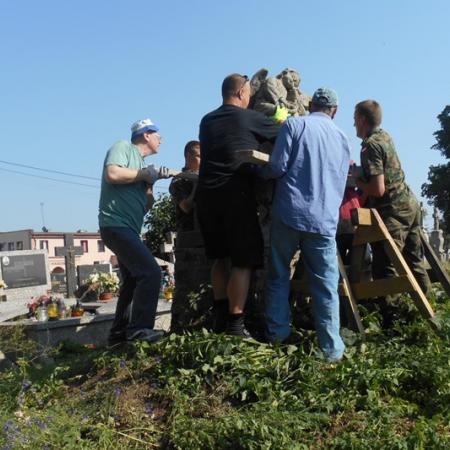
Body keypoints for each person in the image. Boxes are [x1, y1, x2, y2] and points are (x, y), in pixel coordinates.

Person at [261, 87, 350, 361]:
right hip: (323, 221)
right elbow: (342, 179)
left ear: (310, 105)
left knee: (278, 277)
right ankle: (331, 351)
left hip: (290, 214)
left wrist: (255, 170)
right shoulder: (342, 137)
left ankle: (277, 337)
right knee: (325, 286)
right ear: (334, 110)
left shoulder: (294, 125)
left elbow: (277, 167)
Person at [197, 73, 280, 337]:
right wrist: (280, 115)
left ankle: (219, 319)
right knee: (243, 262)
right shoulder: (249, 117)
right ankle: (236, 324)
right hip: (235, 194)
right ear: (242, 93)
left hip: (207, 197)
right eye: (250, 95)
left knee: (219, 258)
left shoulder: (207, 120)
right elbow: (284, 131)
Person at [353, 100, 431, 326]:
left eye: (355, 118)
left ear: (362, 120)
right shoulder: (385, 136)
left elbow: (378, 189)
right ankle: (424, 314)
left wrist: (357, 181)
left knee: (385, 266)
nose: (353, 123)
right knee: (414, 260)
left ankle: (392, 321)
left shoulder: (370, 146)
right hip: (410, 205)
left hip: (392, 210)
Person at [98, 118, 170, 345]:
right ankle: (139, 329)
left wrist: (151, 183)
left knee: (132, 280)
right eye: (158, 135)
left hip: (127, 228)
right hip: (115, 224)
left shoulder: (141, 163)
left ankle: (118, 335)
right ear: (146, 134)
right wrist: (142, 175)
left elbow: (146, 206)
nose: (161, 140)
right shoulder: (123, 148)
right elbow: (113, 174)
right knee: (151, 273)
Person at [169, 140, 201, 232]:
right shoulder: (179, 180)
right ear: (188, 156)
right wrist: (196, 186)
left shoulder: (207, 177)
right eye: (199, 156)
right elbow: (186, 207)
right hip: (188, 236)